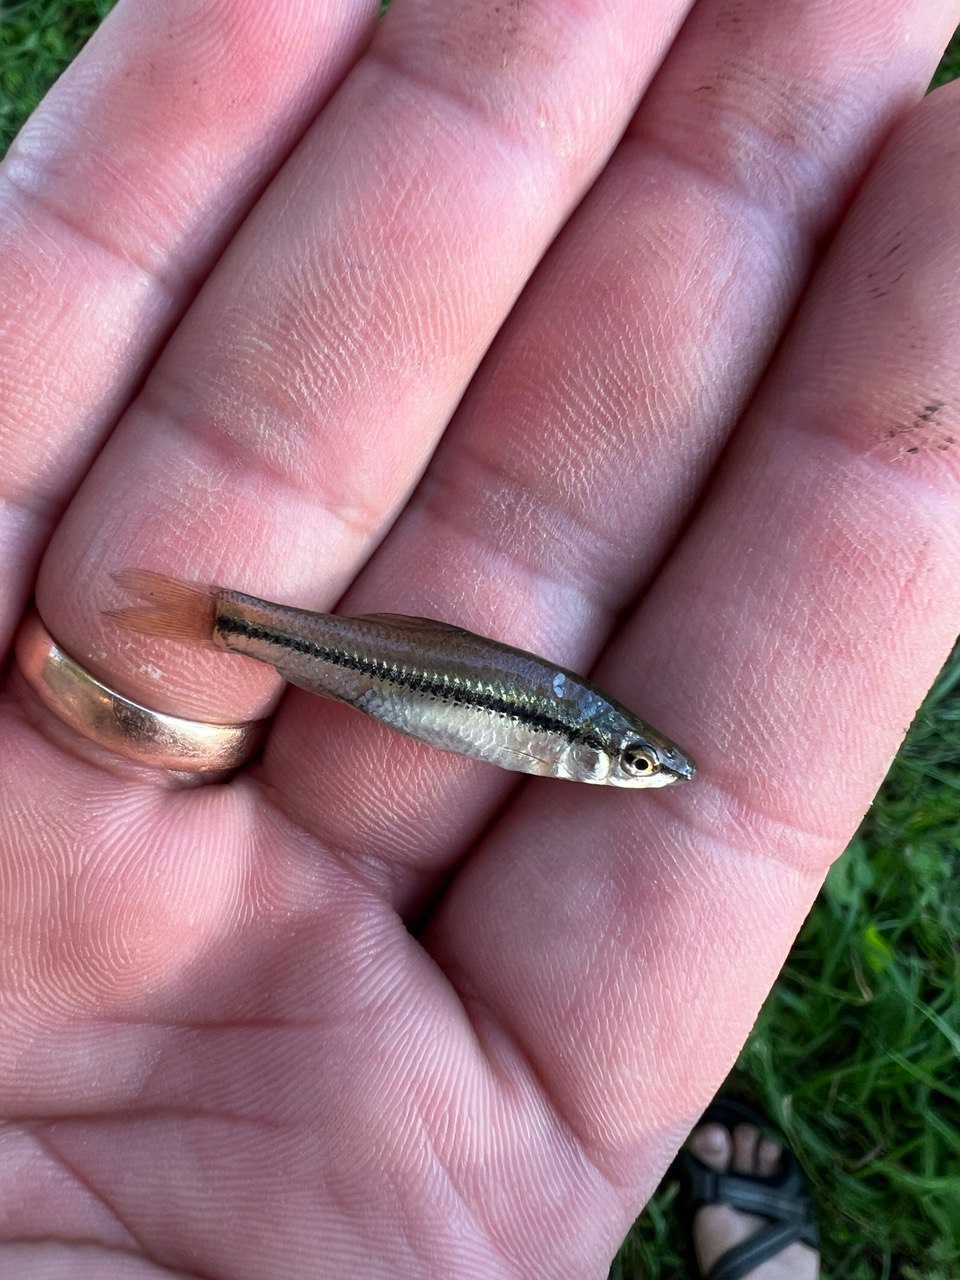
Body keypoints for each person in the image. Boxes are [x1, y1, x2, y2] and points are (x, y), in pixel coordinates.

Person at [0, 1, 956, 1276]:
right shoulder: (554, 731)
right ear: (586, 745)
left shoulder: (563, 727)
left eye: (619, 764)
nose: (617, 770)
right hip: (386, 664)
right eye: (619, 760)